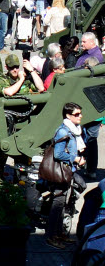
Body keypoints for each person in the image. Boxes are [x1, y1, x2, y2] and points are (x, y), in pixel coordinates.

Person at [47, 103, 88, 249]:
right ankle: (51, 236)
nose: (80, 116)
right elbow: (58, 154)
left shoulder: (74, 130)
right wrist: (75, 159)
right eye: (77, 114)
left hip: (69, 171)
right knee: (57, 204)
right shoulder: (63, 131)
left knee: (63, 203)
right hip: (61, 173)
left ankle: (59, 234)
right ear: (68, 116)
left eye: (80, 113)